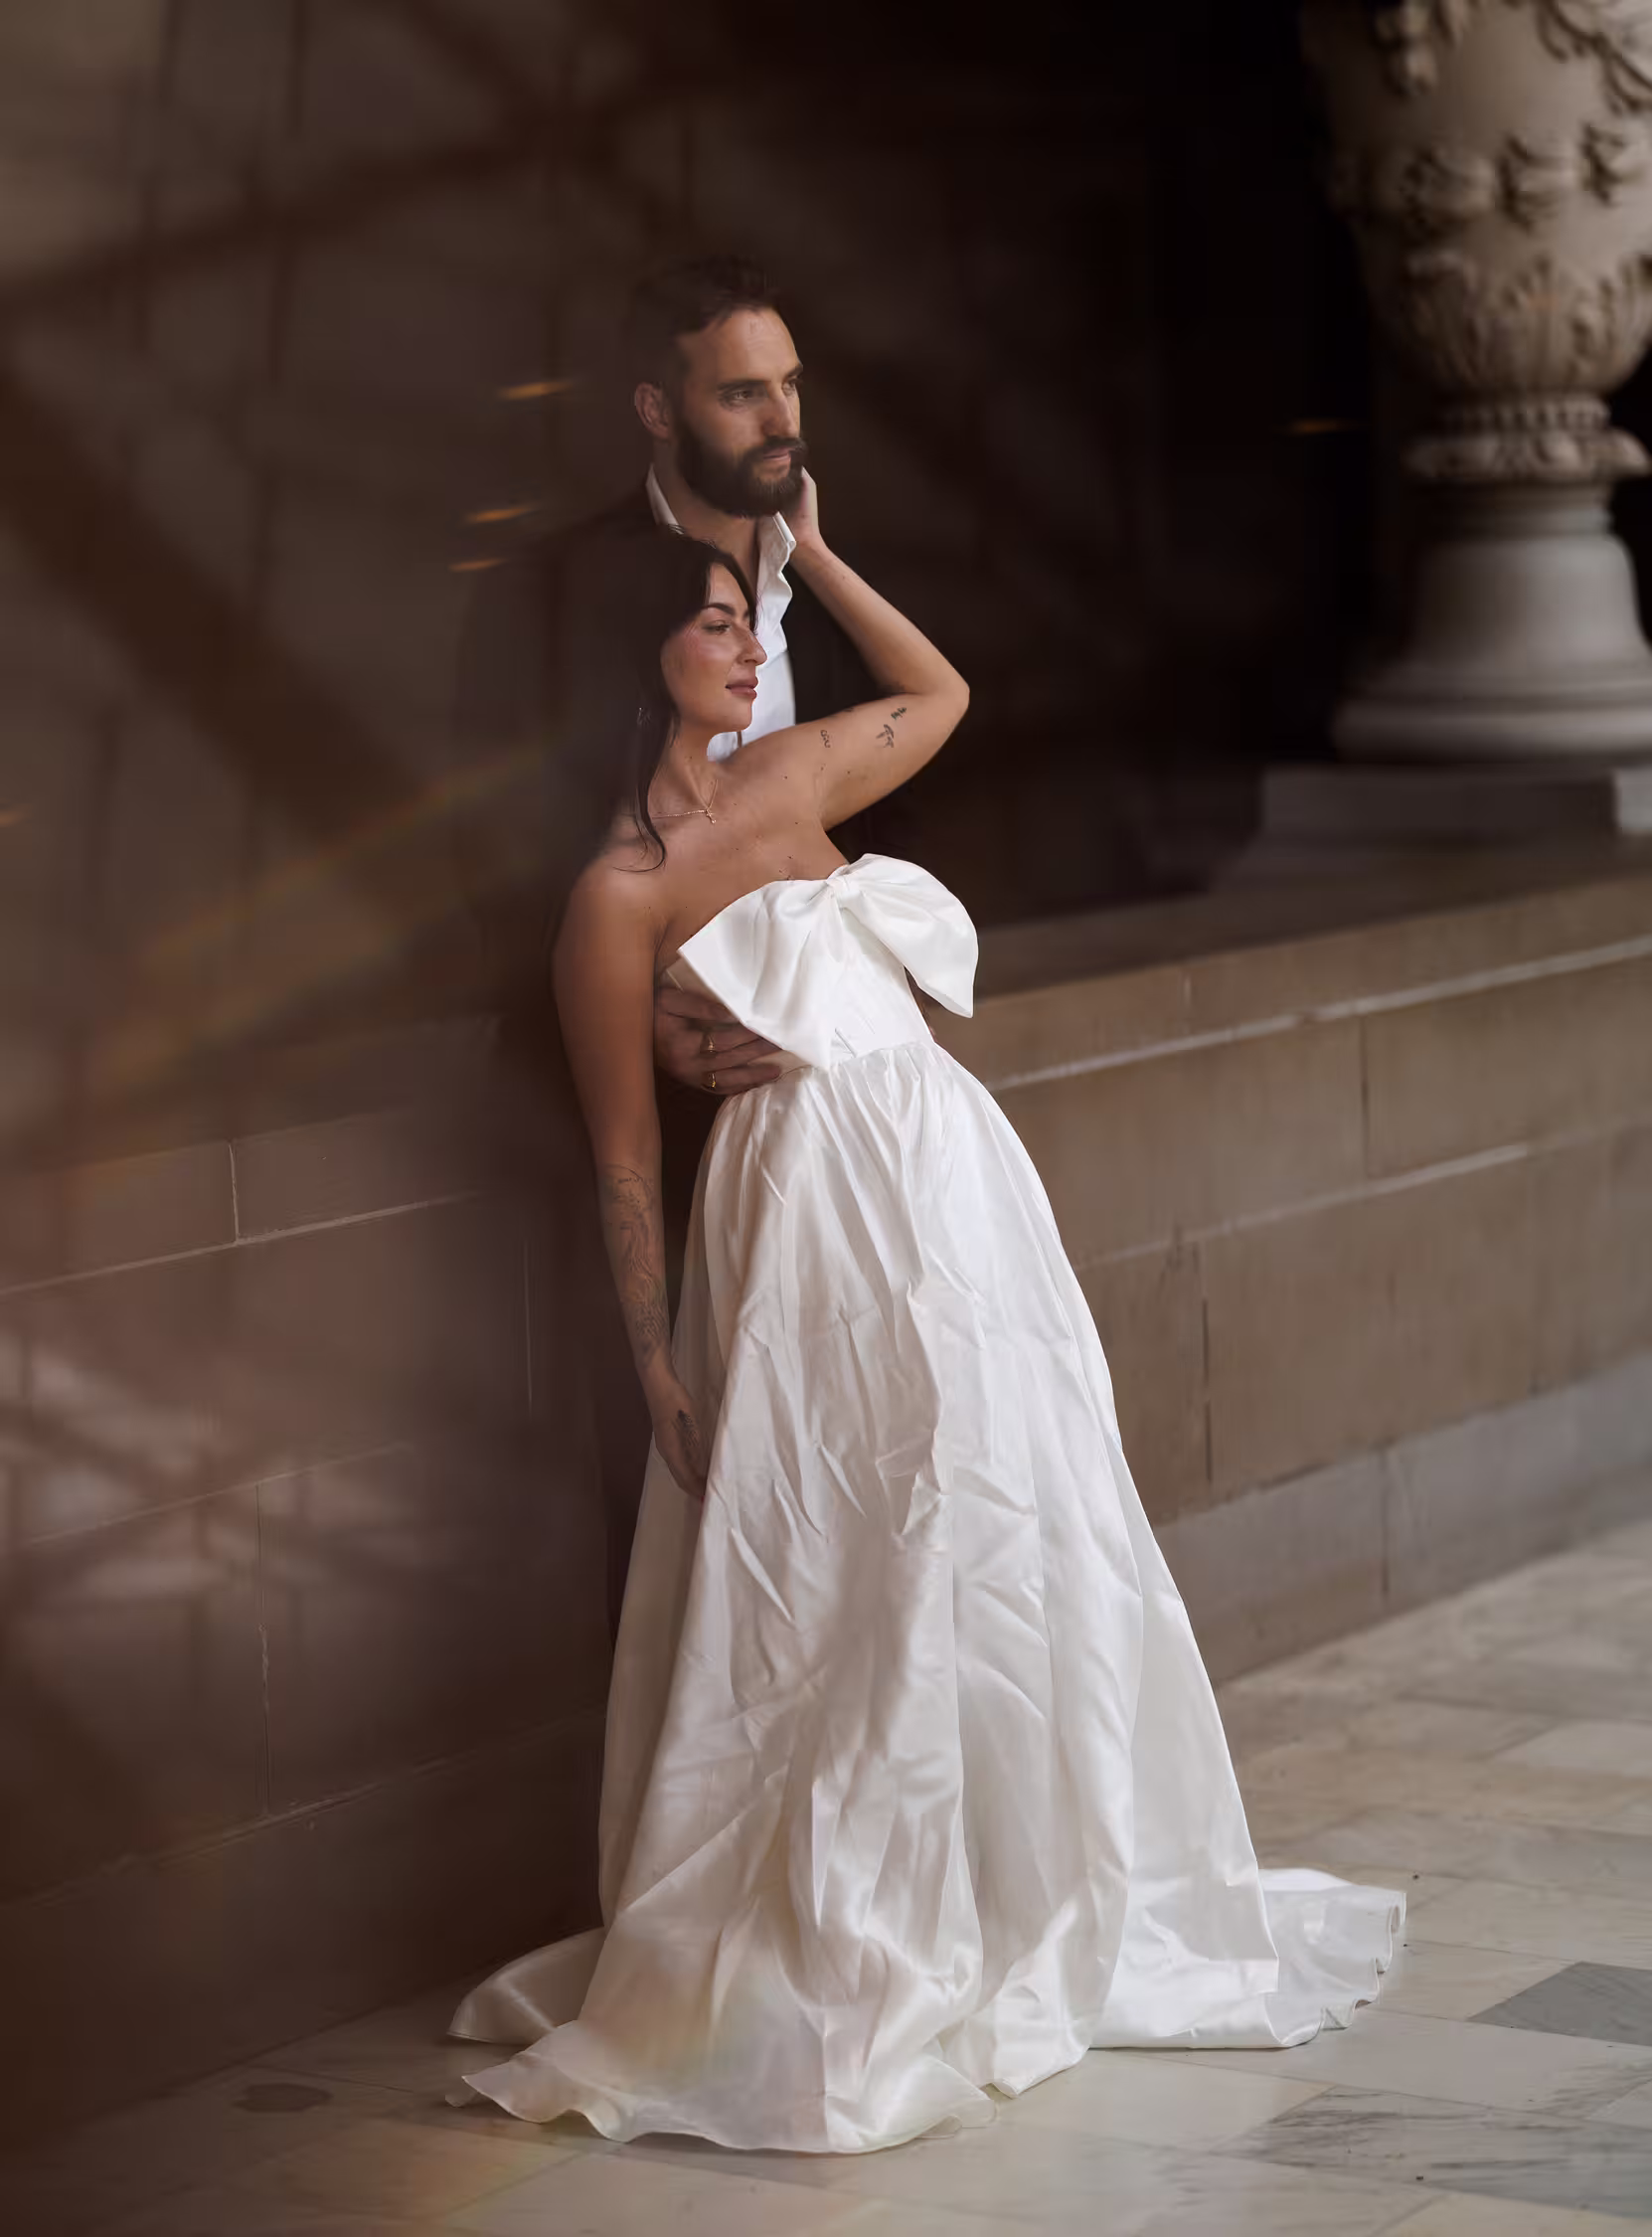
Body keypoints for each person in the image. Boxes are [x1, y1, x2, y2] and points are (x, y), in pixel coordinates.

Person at [447, 481, 1403, 2153]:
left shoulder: (792, 774)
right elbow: (618, 1153)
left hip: (948, 1179)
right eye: (718, 615)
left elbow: (944, 695)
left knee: (1013, 1512)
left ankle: (1024, 1872)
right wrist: (656, 1355)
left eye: (750, 616)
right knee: (848, 1553)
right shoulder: (612, 898)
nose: (752, 646)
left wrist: (807, 554)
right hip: (800, 1213)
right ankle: (851, 1924)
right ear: (635, 653)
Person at [449, 258, 891, 1616]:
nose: (780, 419)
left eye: (791, 386)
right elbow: (478, 871)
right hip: (639, 1115)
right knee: (663, 1498)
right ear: (658, 404)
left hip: (824, 1127)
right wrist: (634, 1003)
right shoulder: (544, 594)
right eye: (743, 391)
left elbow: (923, 832)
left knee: (849, 1483)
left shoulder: (847, 582)